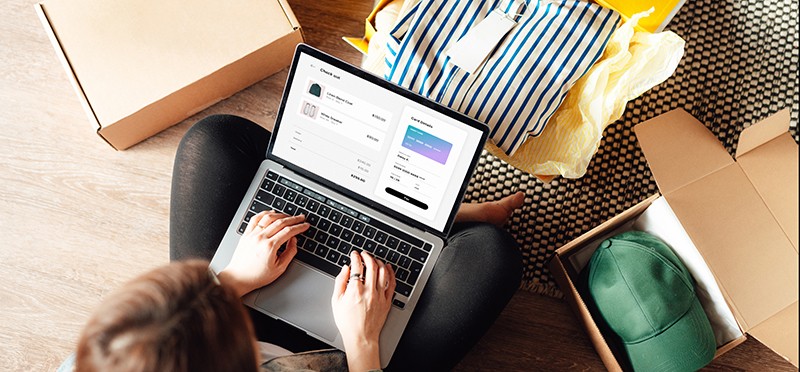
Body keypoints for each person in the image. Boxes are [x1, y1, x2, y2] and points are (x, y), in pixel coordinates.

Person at [72, 114, 524, 371]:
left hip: (220, 333)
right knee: (492, 255)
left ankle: (401, 209)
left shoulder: (102, 358)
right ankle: (427, 218)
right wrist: (363, 342)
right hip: (341, 358)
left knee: (215, 140)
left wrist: (232, 278)